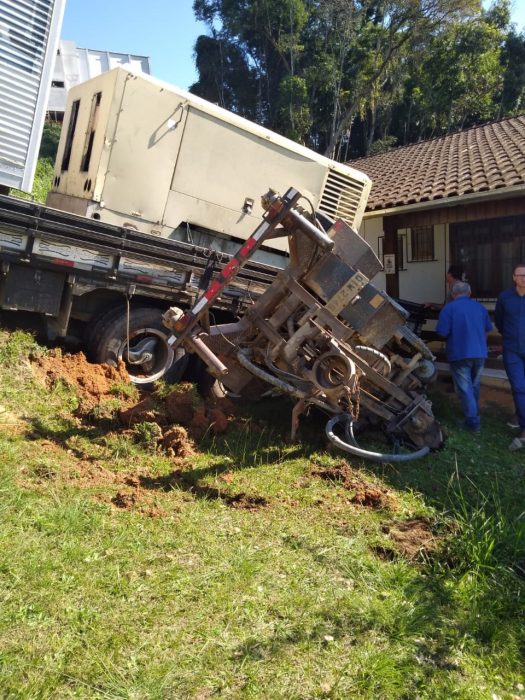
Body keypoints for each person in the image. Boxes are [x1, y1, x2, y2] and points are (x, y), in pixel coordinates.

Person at [436, 281, 493, 432]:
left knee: (465, 388)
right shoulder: (480, 308)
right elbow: (488, 329)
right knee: (474, 384)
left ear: (453, 294)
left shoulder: (449, 309)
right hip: (480, 352)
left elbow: (442, 332)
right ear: (469, 293)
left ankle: (472, 422)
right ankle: (472, 413)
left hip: (459, 353)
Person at [495, 263, 525, 450]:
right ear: (513, 277)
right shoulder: (505, 297)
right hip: (512, 349)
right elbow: (499, 322)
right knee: (519, 387)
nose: (524, 278)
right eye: (520, 275)